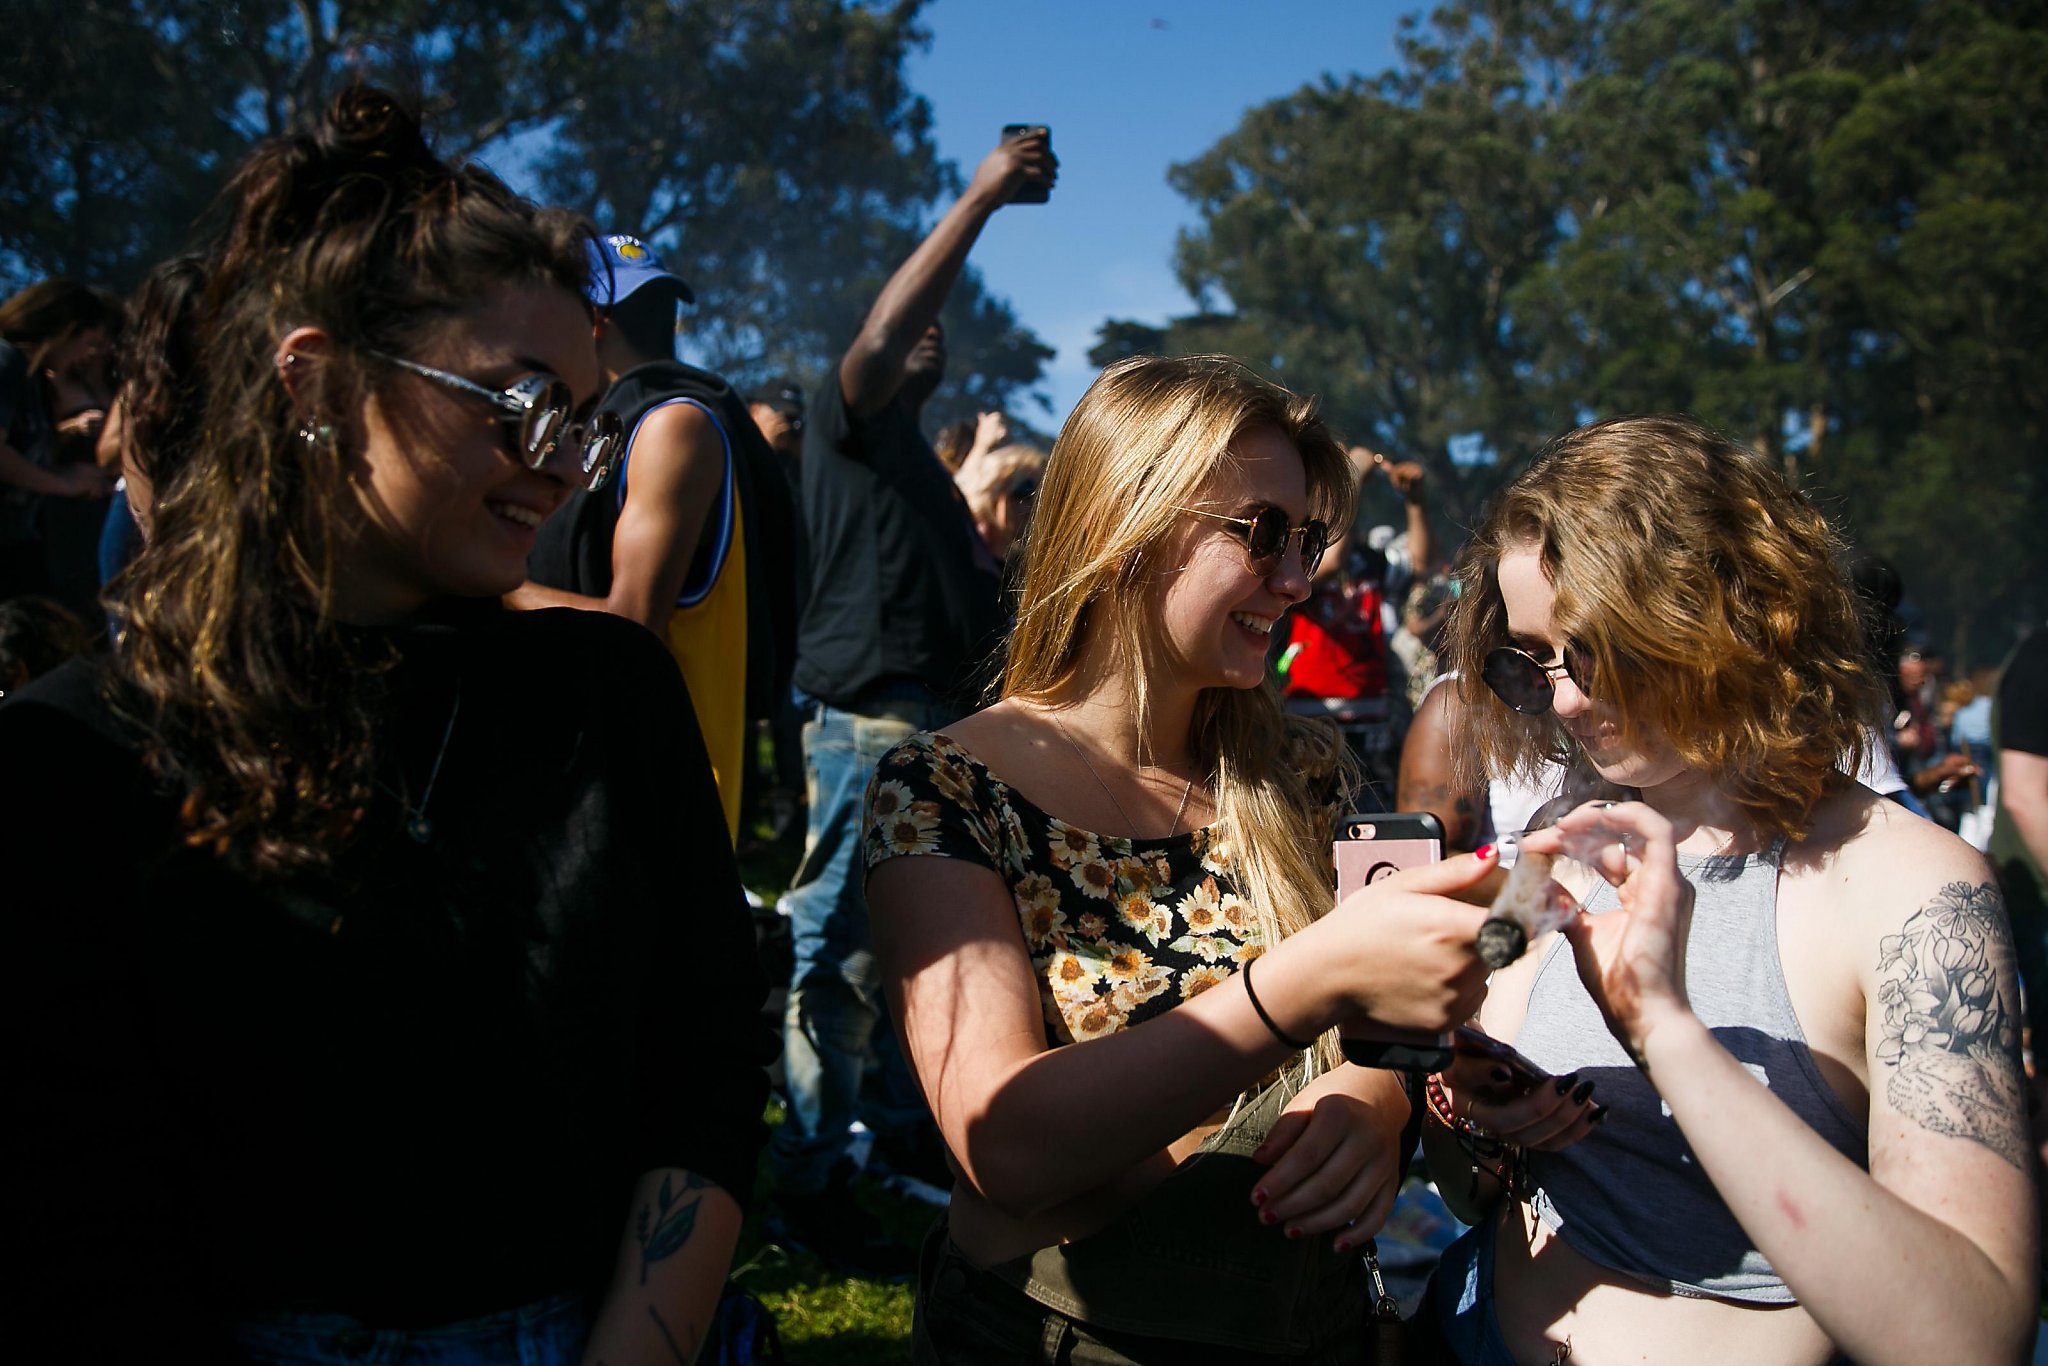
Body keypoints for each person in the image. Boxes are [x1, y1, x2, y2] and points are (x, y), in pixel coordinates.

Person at [0, 87, 772, 1364]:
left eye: (581, 426)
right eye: (520, 407)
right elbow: (75, 1210)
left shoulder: (606, 691)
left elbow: (704, 1061)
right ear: (317, 377)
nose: (559, 465)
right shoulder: (76, 752)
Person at [865, 353, 1500, 1363]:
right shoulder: (944, 789)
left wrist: (1374, 1104)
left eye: (1307, 539)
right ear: (1124, 525)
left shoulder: (1304, 770)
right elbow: (1005, 1147)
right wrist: (1297, 984)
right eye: (1260, 535)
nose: (1295, 579)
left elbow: (1388, 1029)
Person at [1419, 415, 2037, 1364]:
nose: (1567, 700)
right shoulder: (1560, 844)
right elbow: (1475, 1165)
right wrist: (1475, 1117)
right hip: (1471, 1328)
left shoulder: (1916, 888)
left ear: (1725, 611)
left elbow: (1967, 1338)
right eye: (1531, 662)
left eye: (1596, 650)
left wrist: (1664, 1030)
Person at [770, 127, 1055, 1275]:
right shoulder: (850, 430)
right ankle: (803, 1183)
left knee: (910, 967)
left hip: (924, 736)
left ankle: (881, 1143)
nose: (925, 329)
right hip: (861, 733)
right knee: (829, 960)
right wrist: (981, 197)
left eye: (944, 322)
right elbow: (883, 335)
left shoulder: (921, 483)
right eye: (905, 320)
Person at [521, 232, 799, 843]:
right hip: (590, 781)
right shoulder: (603, 431)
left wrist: (489, 582)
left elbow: (630, 625)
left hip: (657, 801)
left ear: (591, 323)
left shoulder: (673, 426)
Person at [0, 279, 118, 606]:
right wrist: (62, 483)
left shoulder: (31, 379)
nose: (87, 354)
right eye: (87, 341)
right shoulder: (6, 363)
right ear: (65, 330)